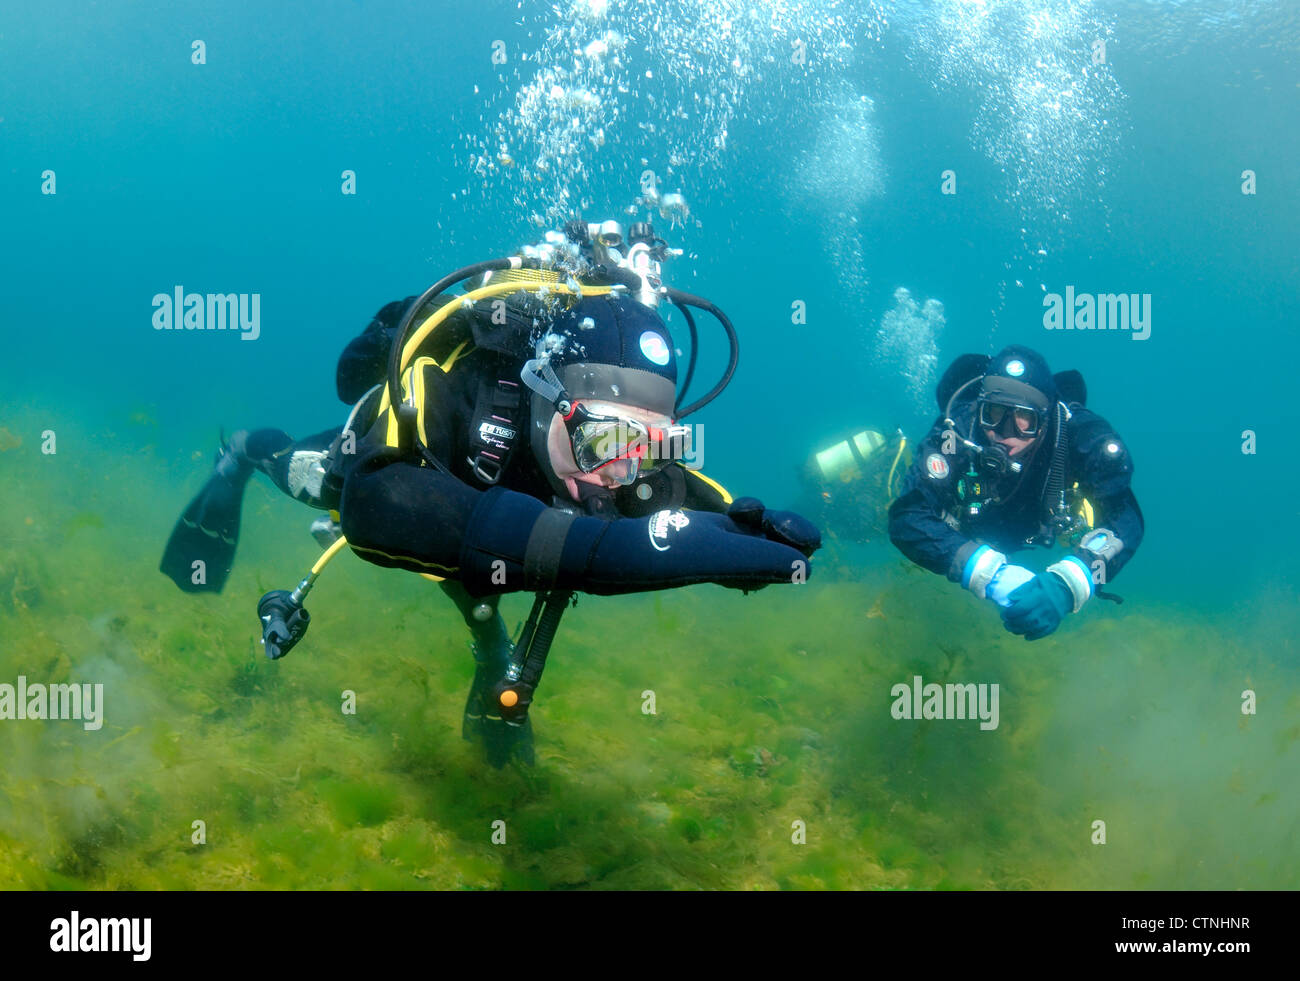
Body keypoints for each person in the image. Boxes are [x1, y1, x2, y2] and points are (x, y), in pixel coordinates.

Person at [161, 220, 821, 765]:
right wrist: (602, 550)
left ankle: (491, 653)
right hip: (391, 467)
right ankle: (241, 450)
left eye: (647, 447)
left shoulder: (620, 462)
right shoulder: (453, 392)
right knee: (306, 472)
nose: (620, 475)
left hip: (489, 524)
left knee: (488, 580)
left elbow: (668, 493)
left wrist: (729, 528)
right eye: (601, 440)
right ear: (544, 397)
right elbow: (375, 506)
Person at [888, 345, 1143, 641]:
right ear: (978, 409)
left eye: (1025, 419)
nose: (1006, 432)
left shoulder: (1078, 437)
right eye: (994, 413)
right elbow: (907, 517)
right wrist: (987, 573)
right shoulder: (956, 433)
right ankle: (886, 455)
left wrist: (1074, 580)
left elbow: (1126, 518)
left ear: (1045, 420)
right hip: (966, 524)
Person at [798, 427, 909, 550]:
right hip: (827, 503)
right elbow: (861, 523)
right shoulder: (885, 476)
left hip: (827, 497)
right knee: (797, 524)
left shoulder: (889, 468)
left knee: (794, 519)